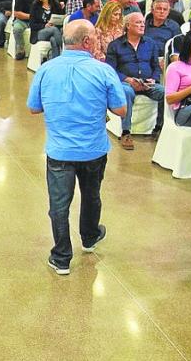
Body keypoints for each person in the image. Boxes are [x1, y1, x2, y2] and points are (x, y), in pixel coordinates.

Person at [26, 19, 127, 274]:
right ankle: (90, 236)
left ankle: (61, 257)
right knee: (91, 195)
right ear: (87, 42)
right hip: (93, 148)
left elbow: (33, 107)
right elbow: (120, 109)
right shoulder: (103, 71)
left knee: (59, 205)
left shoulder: (46, 70)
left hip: (59, 150)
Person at [105, 11, 163, 150]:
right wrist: (128, 79)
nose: (142, 25)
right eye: (138, 22)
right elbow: (110, 70)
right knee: (126, 92)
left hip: (147, 83)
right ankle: (126, 132)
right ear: (127, 26)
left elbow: (156, 67)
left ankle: (159, 128)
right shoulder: (115, 45)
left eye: (143, 22)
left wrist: (153, 79)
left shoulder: (151, 44)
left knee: (165, 93)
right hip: (126, 83)